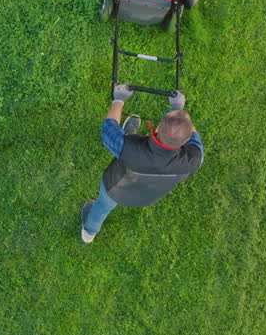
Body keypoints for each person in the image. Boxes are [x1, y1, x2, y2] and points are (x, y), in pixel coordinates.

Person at [80, 83, 204, 243]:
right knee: (128, 143)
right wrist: (178, 110)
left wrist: (119, 99)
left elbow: (108, 130)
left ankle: (89, 233)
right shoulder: (194, 160)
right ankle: (129, 133)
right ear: (187, 141)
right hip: (148, 196)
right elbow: (193, 139)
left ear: (157, 129)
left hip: (115, 189)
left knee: (102, 206)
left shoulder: (127, 148)